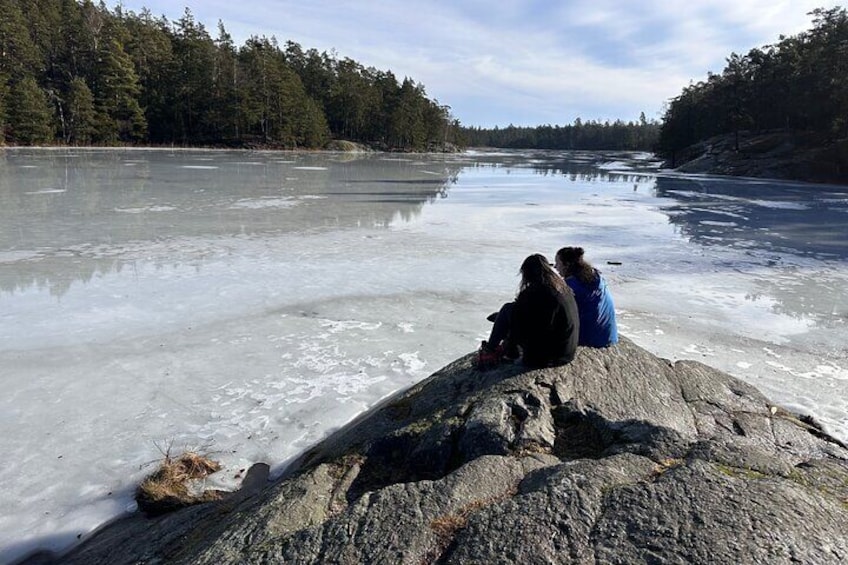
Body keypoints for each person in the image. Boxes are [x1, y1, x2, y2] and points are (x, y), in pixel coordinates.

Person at [479, 254, 579, 369]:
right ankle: (499, 346)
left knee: (508, 310)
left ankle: (490, 350)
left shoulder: (535, 293)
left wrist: (510, 347)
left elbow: (522, 325)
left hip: (547, 358)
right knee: (511, 312)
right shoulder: (562, 288)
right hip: (566, 353)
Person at [554, 246, 618, 348]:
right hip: (609, 335)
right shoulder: (596, 276)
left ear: (567, 265)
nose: (555, 267)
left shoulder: (571, 286)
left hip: (590, 338)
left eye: (558, 263)